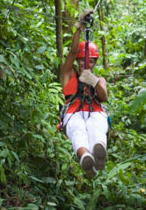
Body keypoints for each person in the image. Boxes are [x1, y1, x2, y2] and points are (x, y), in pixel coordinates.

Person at [61, 9, 109, 177]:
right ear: (78, 60)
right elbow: (72, 52)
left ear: (95, 62)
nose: (85, 63)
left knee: (96, 126)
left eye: (90, 61)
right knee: (77, 129)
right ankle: (85, 157)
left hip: (94, 111)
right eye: (82, 60)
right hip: (74, 112)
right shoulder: (68, 74)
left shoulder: (99, 79)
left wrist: (94, 81)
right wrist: (79, 28)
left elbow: (104, 97)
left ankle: (99, 151)